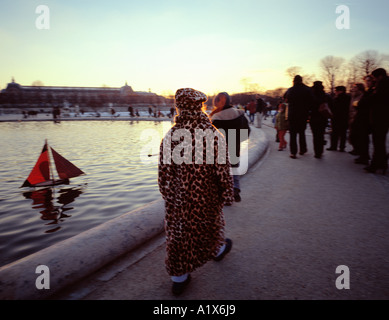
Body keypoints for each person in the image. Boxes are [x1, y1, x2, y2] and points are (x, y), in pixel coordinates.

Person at [158, 88, 234, 296]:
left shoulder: (172, 135)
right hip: (206, 194)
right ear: (200, 106)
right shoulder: (211, 134)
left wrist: (168, 194)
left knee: (179, 233)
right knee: (209, 226)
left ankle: (178, 277)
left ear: (179, 107)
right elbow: (222, 169)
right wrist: (226, 193)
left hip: (178, 197)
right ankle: (217, 250)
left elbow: (164, 171)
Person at [210, 92, 250, 202]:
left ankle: (225, 194)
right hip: (234, 143)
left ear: (218, 102)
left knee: (221, 171)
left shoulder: (216, 117)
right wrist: (237, 140)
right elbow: (246, 132)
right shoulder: (239, 114)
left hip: (220, 147)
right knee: (234, 166)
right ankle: (235, 188)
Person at [365, 68, 389, 174]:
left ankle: (375, 165)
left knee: (378, 142)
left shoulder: (383, 84)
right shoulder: (384, 83)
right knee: (380, 142)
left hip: (380, 117)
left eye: (374, 78)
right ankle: (382, 163)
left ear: (379, 76)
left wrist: (367, 100)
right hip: (383, 117)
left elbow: (376, 98)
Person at [284, 75, 314, 159]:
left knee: (293, 135)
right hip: (303, 115)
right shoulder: (307, 89)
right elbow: (312, 101)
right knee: (301, 133)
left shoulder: (290, 90)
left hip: (292, 115)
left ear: (294, 81)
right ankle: (303, 149)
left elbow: (285, 98)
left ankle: (293, 152)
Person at [352, 76, 375, 165]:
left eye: (369, 81)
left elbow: (364, 104)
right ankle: (363, 155)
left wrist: (357, 104)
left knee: (363, 138)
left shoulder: (371, 91)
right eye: (366, 81)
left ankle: (364, 156)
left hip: (365, 118)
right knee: (361, 137)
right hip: (362, 117)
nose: (367, 82)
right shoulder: (368, 91)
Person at [310, 81, 332, 159]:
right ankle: (321, 149)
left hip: (313, 117)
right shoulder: (325, 96)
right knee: (321, 134)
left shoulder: (311, 96)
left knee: (315, 135)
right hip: (323, 117)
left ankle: (317, 152)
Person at [327, 86, 351, 152]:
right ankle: (341, 147)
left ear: (341, 91)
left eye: (336, 90)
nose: (335, 92)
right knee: (342, 133)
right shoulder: (347, 98)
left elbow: (335, 108)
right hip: (343, 118)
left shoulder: (338, 98)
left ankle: (334, 146)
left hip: (337, 117)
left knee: (335, 133)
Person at [348, 83, 365, 155]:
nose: (353, 88)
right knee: (352, 134)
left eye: (355, 87)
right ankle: (355, 148)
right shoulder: (353, 96)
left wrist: (354, 115)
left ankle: (359, 150)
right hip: (351, 116)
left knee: (356, 135)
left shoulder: (362, 96)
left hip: (357, 117)